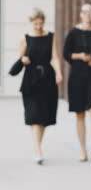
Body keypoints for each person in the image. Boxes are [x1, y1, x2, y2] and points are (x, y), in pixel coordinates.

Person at [63, 3, 91, 162]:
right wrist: (80, 56)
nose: (87, 14)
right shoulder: (73, 33)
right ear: (80, 14)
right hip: (77, 77)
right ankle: (83, 151)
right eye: (84, 12)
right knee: (80, 114)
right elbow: (66, 54)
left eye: (90, 12)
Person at [18, 9, 62, 165]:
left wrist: (58, 73)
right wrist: (23, 60)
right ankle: (38, 150)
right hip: (30, 80)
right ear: (31, 23)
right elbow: (20, 59)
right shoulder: (25, 38)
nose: (38, 26)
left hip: (47, 79)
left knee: (43, 117)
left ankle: (37, 147)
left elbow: (55, 57)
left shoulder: (51, 36)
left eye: (41, 23)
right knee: (35, 114)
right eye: (35, 24)